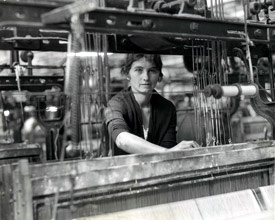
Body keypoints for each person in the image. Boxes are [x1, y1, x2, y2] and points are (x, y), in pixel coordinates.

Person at [105, 54, 199, 155]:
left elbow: (168, 146)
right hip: (124, 170)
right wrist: (167, 152)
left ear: (159, 75)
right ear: (128, 74)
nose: (146, 77)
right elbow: (122, 140)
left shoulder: (167, 108)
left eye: (152, 70)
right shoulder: (116, 104)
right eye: (138, 70)